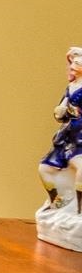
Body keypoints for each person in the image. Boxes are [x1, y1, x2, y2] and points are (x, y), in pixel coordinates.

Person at [39, 46, 82, 210]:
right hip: (68, 135)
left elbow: (76, 112)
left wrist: (73, 112)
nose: (73, 66)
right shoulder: (71, 87)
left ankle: (79, 209)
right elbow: (62, 110)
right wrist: (60, 112)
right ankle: (57, 202)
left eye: (77, 63)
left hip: (80, 135)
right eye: (73, 63)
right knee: (44, 168)